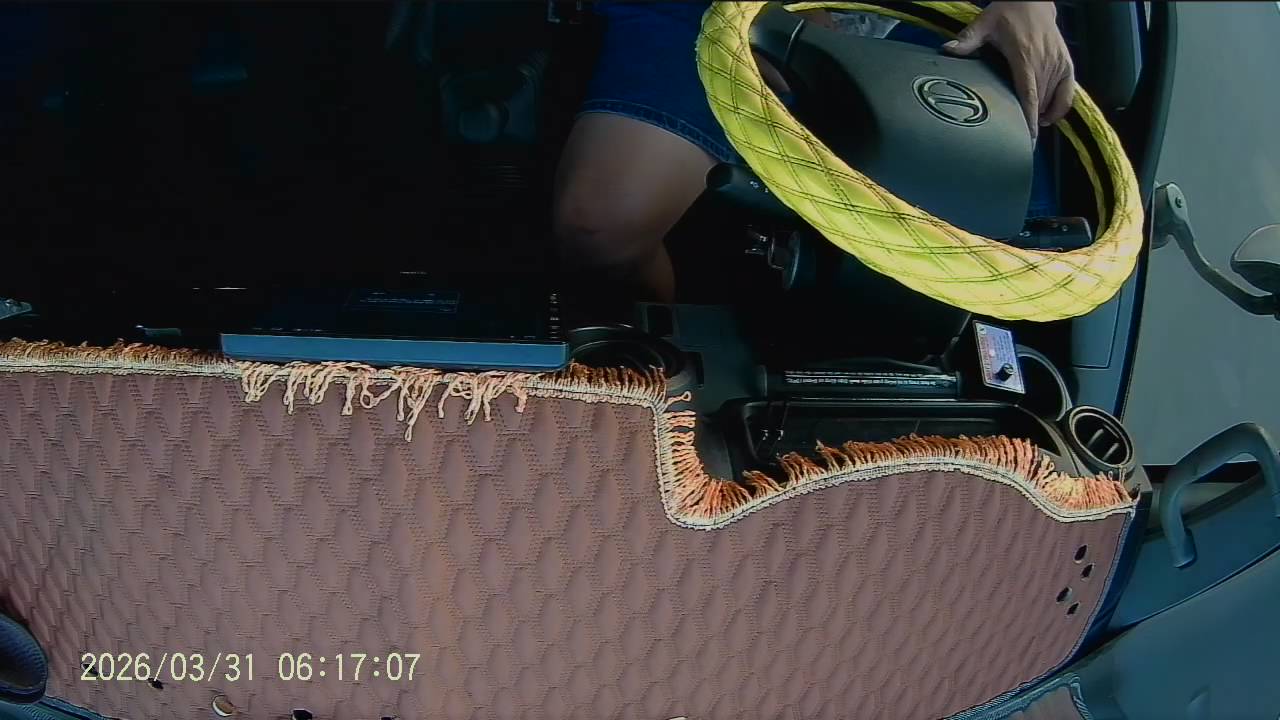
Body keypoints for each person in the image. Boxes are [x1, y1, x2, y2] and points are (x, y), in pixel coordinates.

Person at [553, 1, 1077, 303]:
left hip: (938, 19)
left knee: (997, 271)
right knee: (599, 227)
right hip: (712, 12)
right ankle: (659, 380)